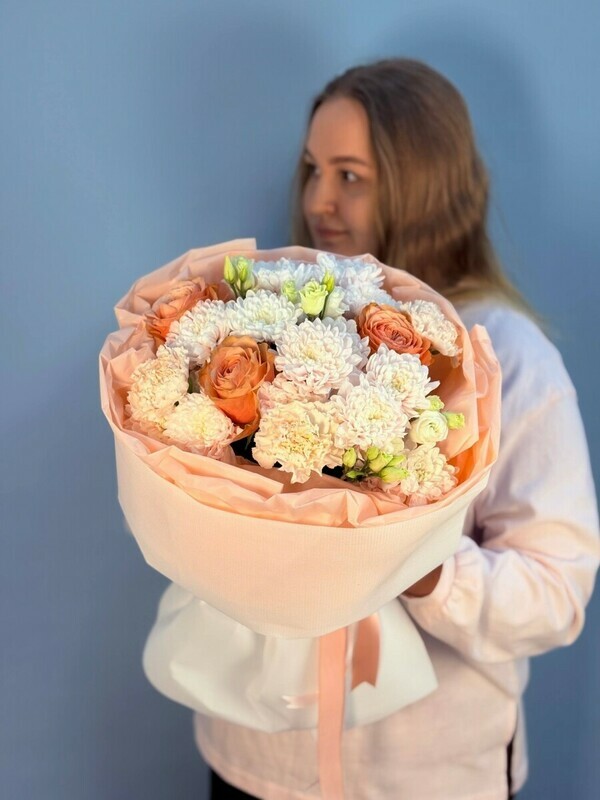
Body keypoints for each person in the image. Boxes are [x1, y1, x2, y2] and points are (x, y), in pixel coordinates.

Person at [196, 59, 600, 799]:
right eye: (314, 169)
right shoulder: (268, 329)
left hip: (423, 775)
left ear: (424, 183)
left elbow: (555, 593)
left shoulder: (508, 356)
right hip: (253, 754)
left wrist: (415, 564)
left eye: (351, 175)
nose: (319, 199)